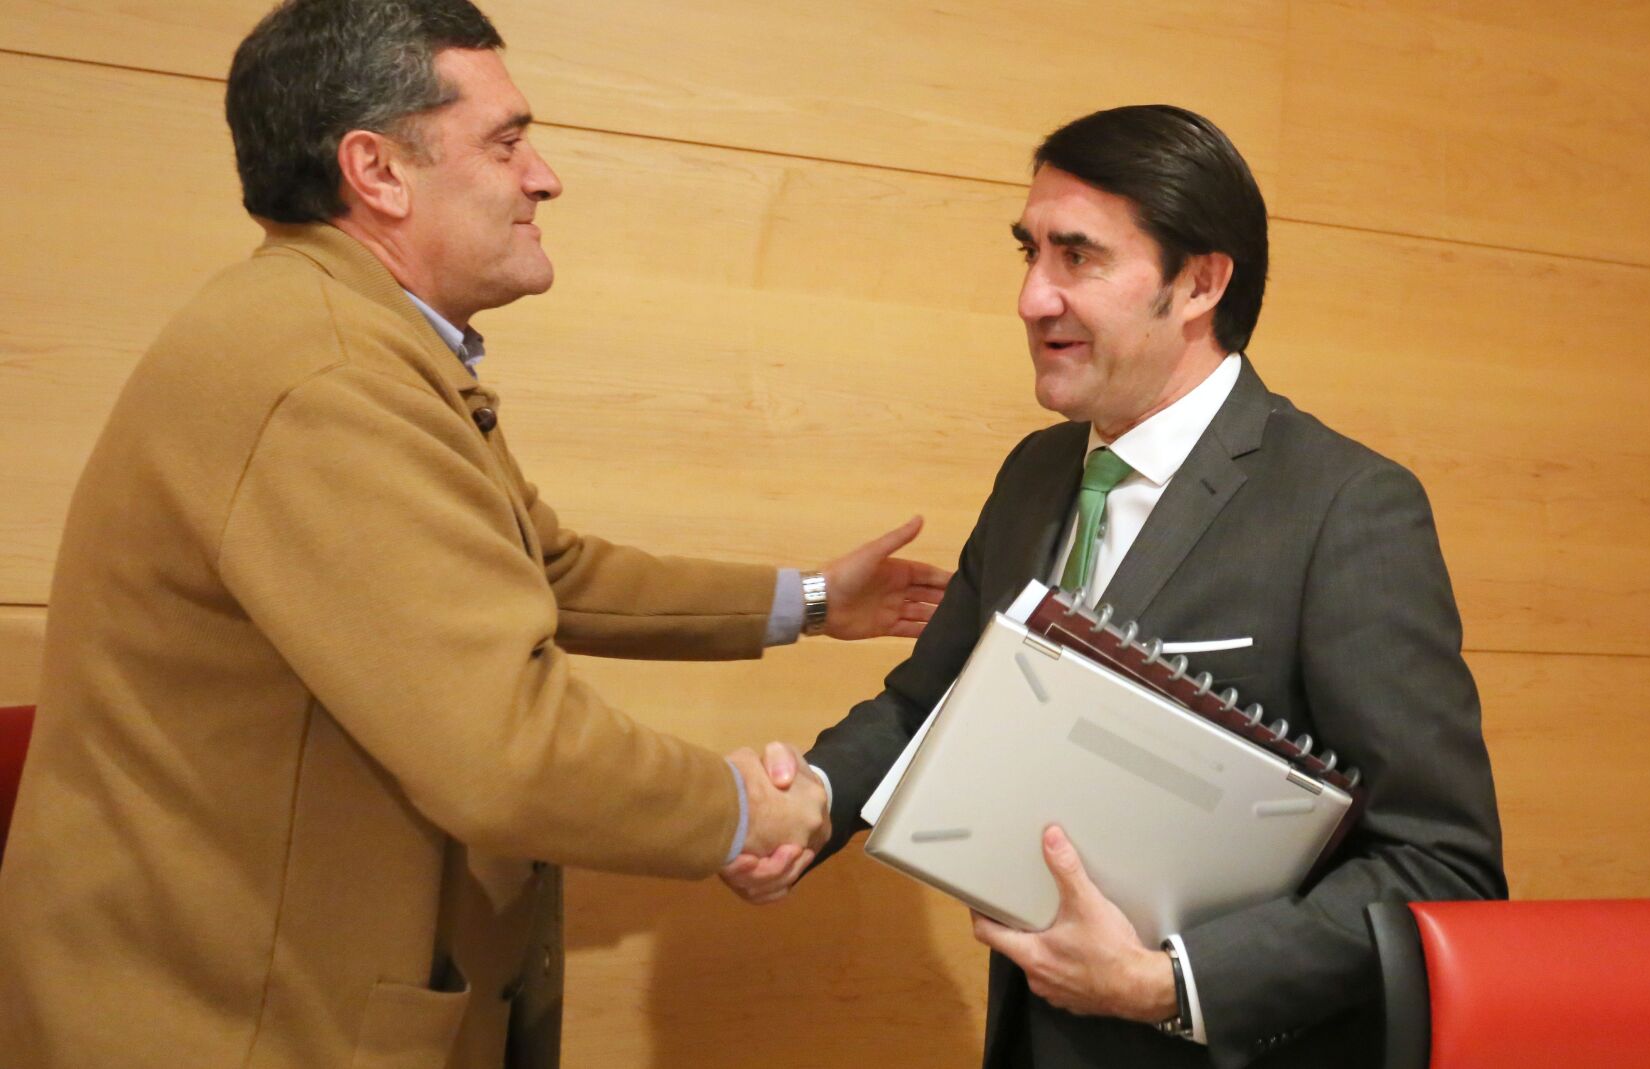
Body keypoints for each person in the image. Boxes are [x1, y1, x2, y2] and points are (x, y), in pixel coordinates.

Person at [0, 1, 949, 1067]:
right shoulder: (329, 378)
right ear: (378, 171)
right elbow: (507, 751)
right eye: (506, 142)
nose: (545, 177)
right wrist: (744, 811)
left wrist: (814, 601)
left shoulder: (343, 332)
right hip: (231, 1019)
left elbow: (549, 568)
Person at [721, 106, 1507, 1067]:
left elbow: (1441, 867)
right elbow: (928, 702)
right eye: (1030, 252)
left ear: (1200, 283)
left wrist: (1173, 982)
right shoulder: (1035, 472)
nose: (1031, 298)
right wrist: (812, 802)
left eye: (1078, 257)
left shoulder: (1345, 506)